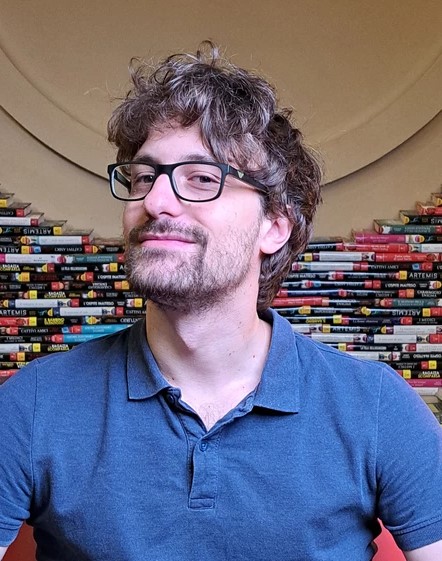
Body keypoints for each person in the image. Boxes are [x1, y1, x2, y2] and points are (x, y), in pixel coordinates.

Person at [0, 41, 441, 561]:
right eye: (143, 177)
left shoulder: (376, 407)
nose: (155, 201)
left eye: (203, 179)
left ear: (274, 226)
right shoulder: (32, 404)